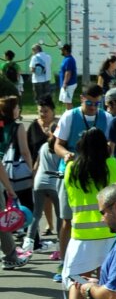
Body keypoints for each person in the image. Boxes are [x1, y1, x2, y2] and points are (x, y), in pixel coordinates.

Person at [56, 128, 116, 299]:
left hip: (81, 235)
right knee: (109, 283)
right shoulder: (110, 165)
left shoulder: (71, 169)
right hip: (108, 232)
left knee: (78, 280)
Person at [22, 98, 62, 256]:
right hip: (55, 183)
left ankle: (28, 244)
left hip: (39, 182)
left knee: (36, 215)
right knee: (61, 216)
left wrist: (32, 180)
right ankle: (61, 245)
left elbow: (36, 166)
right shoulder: (60, 148)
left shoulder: (44, 146)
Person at [0, 97, 35, 250]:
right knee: (27, 205)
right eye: (16, 107)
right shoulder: (18, 127)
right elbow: (25, 151)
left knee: (6, 209)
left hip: (3, 170)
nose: (19, 110)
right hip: (16, 173)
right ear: (11, 110)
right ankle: (32, 241)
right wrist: (32, 170)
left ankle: (13, 239)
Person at [29, 40, 53, 108]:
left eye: (33, 51)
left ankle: (40, 113)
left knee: (39, 98)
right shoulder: (48, 57)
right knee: (47, 98)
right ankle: (48, 111)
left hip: (37, 80)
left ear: (36, 50)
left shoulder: (34, 57)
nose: (32, 52)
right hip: (47, 79)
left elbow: (32, 69)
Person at [58, 40, 78, 107]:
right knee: (66, 101)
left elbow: (68, 72)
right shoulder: (66, 59)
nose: (61, 51)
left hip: (69, 84)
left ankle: (71, 115)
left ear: (66, 51)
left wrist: (65, 83)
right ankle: (67, 113)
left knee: (68, 102)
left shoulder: (69, 60)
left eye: (62, 50)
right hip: (67, 84)